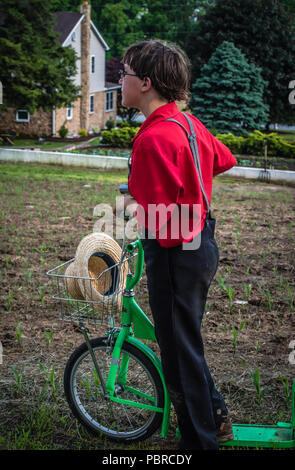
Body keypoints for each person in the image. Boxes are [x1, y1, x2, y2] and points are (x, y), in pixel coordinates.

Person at [119, 39, 236, 450]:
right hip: (202, 244)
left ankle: (201, 443)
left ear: (146, 83)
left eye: (125, 73)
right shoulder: (187, 123)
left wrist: (134, 209)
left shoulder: (152, 139)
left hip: (174, 254)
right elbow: (224, 159)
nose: (120, 79)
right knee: (185, 341)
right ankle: (217, 415)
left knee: (177, 356)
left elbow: (162, 224)